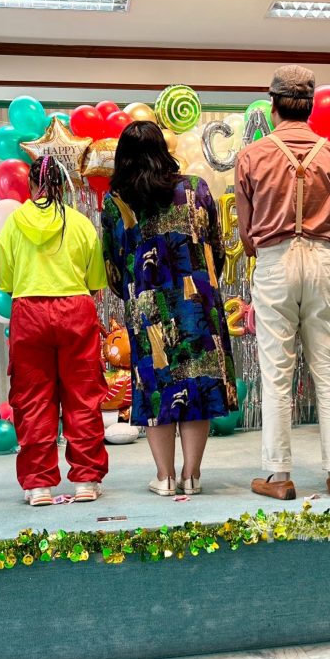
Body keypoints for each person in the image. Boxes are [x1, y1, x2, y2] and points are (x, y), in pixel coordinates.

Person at [235, 65, 330, 501]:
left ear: (274, 104)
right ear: (310, 106)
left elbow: (246, 234)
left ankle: (279, 474)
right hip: (324, 258)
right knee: (329, 366)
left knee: (277, 370)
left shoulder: (252, 155)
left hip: (274, 259)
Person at [102, 120, 237, 497]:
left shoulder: (116, 201)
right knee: (196, 384)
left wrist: (134, 291)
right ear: (163, 150)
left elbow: (113, 265)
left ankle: (164, 477)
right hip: (197, 304)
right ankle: (191, 476)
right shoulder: (196, 188)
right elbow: (216, 248)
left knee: (156, 387)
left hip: (147, 306)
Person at [0, 155, 109, 505]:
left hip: (29, 313)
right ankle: (86, 479)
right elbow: (95, 280)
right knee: (83, 396)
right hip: (76, 310)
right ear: (63, 186)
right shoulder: (80, 223)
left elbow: (6, 281)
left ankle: (38, 485)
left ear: (31, 185)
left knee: (33, 399)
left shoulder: (13, 224)